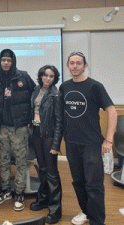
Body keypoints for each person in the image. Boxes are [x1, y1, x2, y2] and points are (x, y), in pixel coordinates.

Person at [59, 52, 117, 225]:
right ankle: (86, 211)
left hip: (91, 143)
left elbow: (112, 111)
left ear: (85, 66)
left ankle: (97, 221)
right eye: (72, 63)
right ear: (68, 66)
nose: (75, 66)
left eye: (78, 63)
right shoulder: (64, 87)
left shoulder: (95, 86)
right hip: (71, 143)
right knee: (78, 182)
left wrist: (109, 140)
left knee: (94, 186)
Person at [0, 49, 36, 211]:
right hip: (2, 128)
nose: (6, 63)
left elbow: (36, 94)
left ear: (13, 61)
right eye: (3, 60)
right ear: (0, 62)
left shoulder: (23, 77)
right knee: (4, 161)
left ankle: (20, 192)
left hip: (19, 128)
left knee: (21, 161)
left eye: (9, 60)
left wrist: (33, 115)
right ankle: (5, 190)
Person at [29, 65, 63, 224]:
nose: (47, 78)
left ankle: (55, 210)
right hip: (36, 133)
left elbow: (59, 122)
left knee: (51, 173)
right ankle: (43, 199)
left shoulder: (56, 94)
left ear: (55, 78)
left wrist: (56, 145)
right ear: (41, 76)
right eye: (45, 75)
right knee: (41, 169)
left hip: (49, 136)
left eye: (51, 76)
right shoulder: (36, 90)